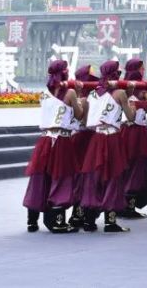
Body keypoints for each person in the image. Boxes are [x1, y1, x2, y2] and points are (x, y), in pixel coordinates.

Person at [23, 60, 83, 233]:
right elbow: (79, 116)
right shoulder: (70, 92)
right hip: (62, 140)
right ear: (64, 73)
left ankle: (32, 220)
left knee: (39, 177)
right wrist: (79, 96)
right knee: (61, 177)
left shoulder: (44, 93)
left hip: (45, 139)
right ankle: (57, 220)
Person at [79, 60, 137, 233]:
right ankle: (110, 221)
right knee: (113, 177)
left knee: (93, 177)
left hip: (96, 137)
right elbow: (131, 117)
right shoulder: (120, 93)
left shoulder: (92, 94)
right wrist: (131, 100)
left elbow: (84, 120)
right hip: (112, 138)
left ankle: (89, 219)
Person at [118, 58, 147, 220]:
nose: (143, 71)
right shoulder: (127, 88)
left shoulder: (142, 86)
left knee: (138, 166)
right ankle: (126, 205)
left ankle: (129, 204)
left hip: (140, 130)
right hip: (131, 130)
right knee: (132, 166)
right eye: (141, 68)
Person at [67, 64, 97, 229]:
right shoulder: (85, 100)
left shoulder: (70, 96)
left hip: (77, 138)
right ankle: (84, 215)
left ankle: (78, 215)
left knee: (80, 177)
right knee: (86, 178)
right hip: (85, 138)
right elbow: (85, 122)